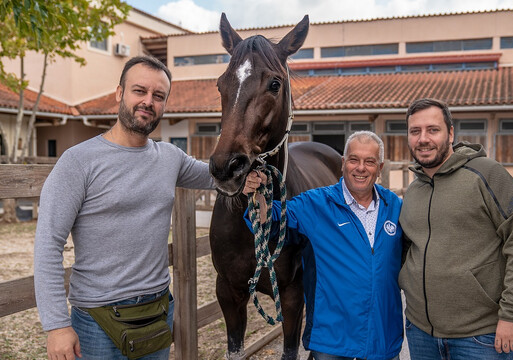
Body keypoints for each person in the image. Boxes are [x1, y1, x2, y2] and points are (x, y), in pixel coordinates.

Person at [33, 56, 214, 360]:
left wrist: (253, 171)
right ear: (119, 93)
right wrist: (56, 325)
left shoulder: (171, 157)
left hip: (157, 311)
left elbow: (216, 176)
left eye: (158, 96)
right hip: (97, 320)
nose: (148, 101)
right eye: (139, 91)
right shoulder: (78, 161)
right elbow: (48, 243)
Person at [399, 98, 513, 360]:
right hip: (420, 332)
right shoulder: (413, 191)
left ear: (450, 133)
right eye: (415, 131)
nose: (423, 139)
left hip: (479, 337)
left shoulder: (487, 174)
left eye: (433, 129)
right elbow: (408, 250)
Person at [243, 131, 404, 360]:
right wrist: (259, 192)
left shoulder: (395, 207)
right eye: (354, 160)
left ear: (380, 167)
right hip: (332, 342)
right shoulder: (316, 204)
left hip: (382, 339)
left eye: (370, 162)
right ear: (343, 163)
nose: (360, 168)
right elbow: (269, 218)